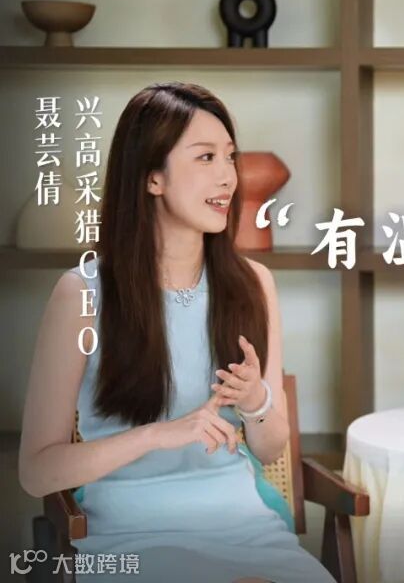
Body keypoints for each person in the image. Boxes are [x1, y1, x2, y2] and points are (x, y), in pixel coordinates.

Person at [18, 82, 335, 583]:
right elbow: (37, 471)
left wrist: (255, 400)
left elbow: (271, 449)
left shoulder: (253, 284)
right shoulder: (81, 293)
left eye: (230, 157)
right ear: (152, 178)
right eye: (205, 157)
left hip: (246, 528)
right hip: (131, 535)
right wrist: (157, 435)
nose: (227, 176)